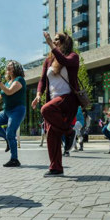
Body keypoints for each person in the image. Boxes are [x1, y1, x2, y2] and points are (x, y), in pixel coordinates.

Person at [31, 32, 79, 177]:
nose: (54, 41)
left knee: (46, 109)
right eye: (54, 39)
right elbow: (42, 80)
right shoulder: (48, 61)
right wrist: (38, 94)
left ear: (65, 42)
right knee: (52, 134)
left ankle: (70, 132)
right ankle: (56, 167)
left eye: (57, 39)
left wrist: (51, 45)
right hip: (53, 99)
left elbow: (64, 61)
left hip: (68, 100)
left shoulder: (73, 56)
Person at [0, 60, 27, 167]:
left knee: (10, 132)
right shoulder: (8, 82)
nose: (8, 67)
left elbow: (9, 91)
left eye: (11, 65)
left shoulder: (20, 80)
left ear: (16, 68)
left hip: (17, 110)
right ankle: (7, 140)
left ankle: (14, 159)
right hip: (7, 111)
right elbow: (2, 96)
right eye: (7, 65)